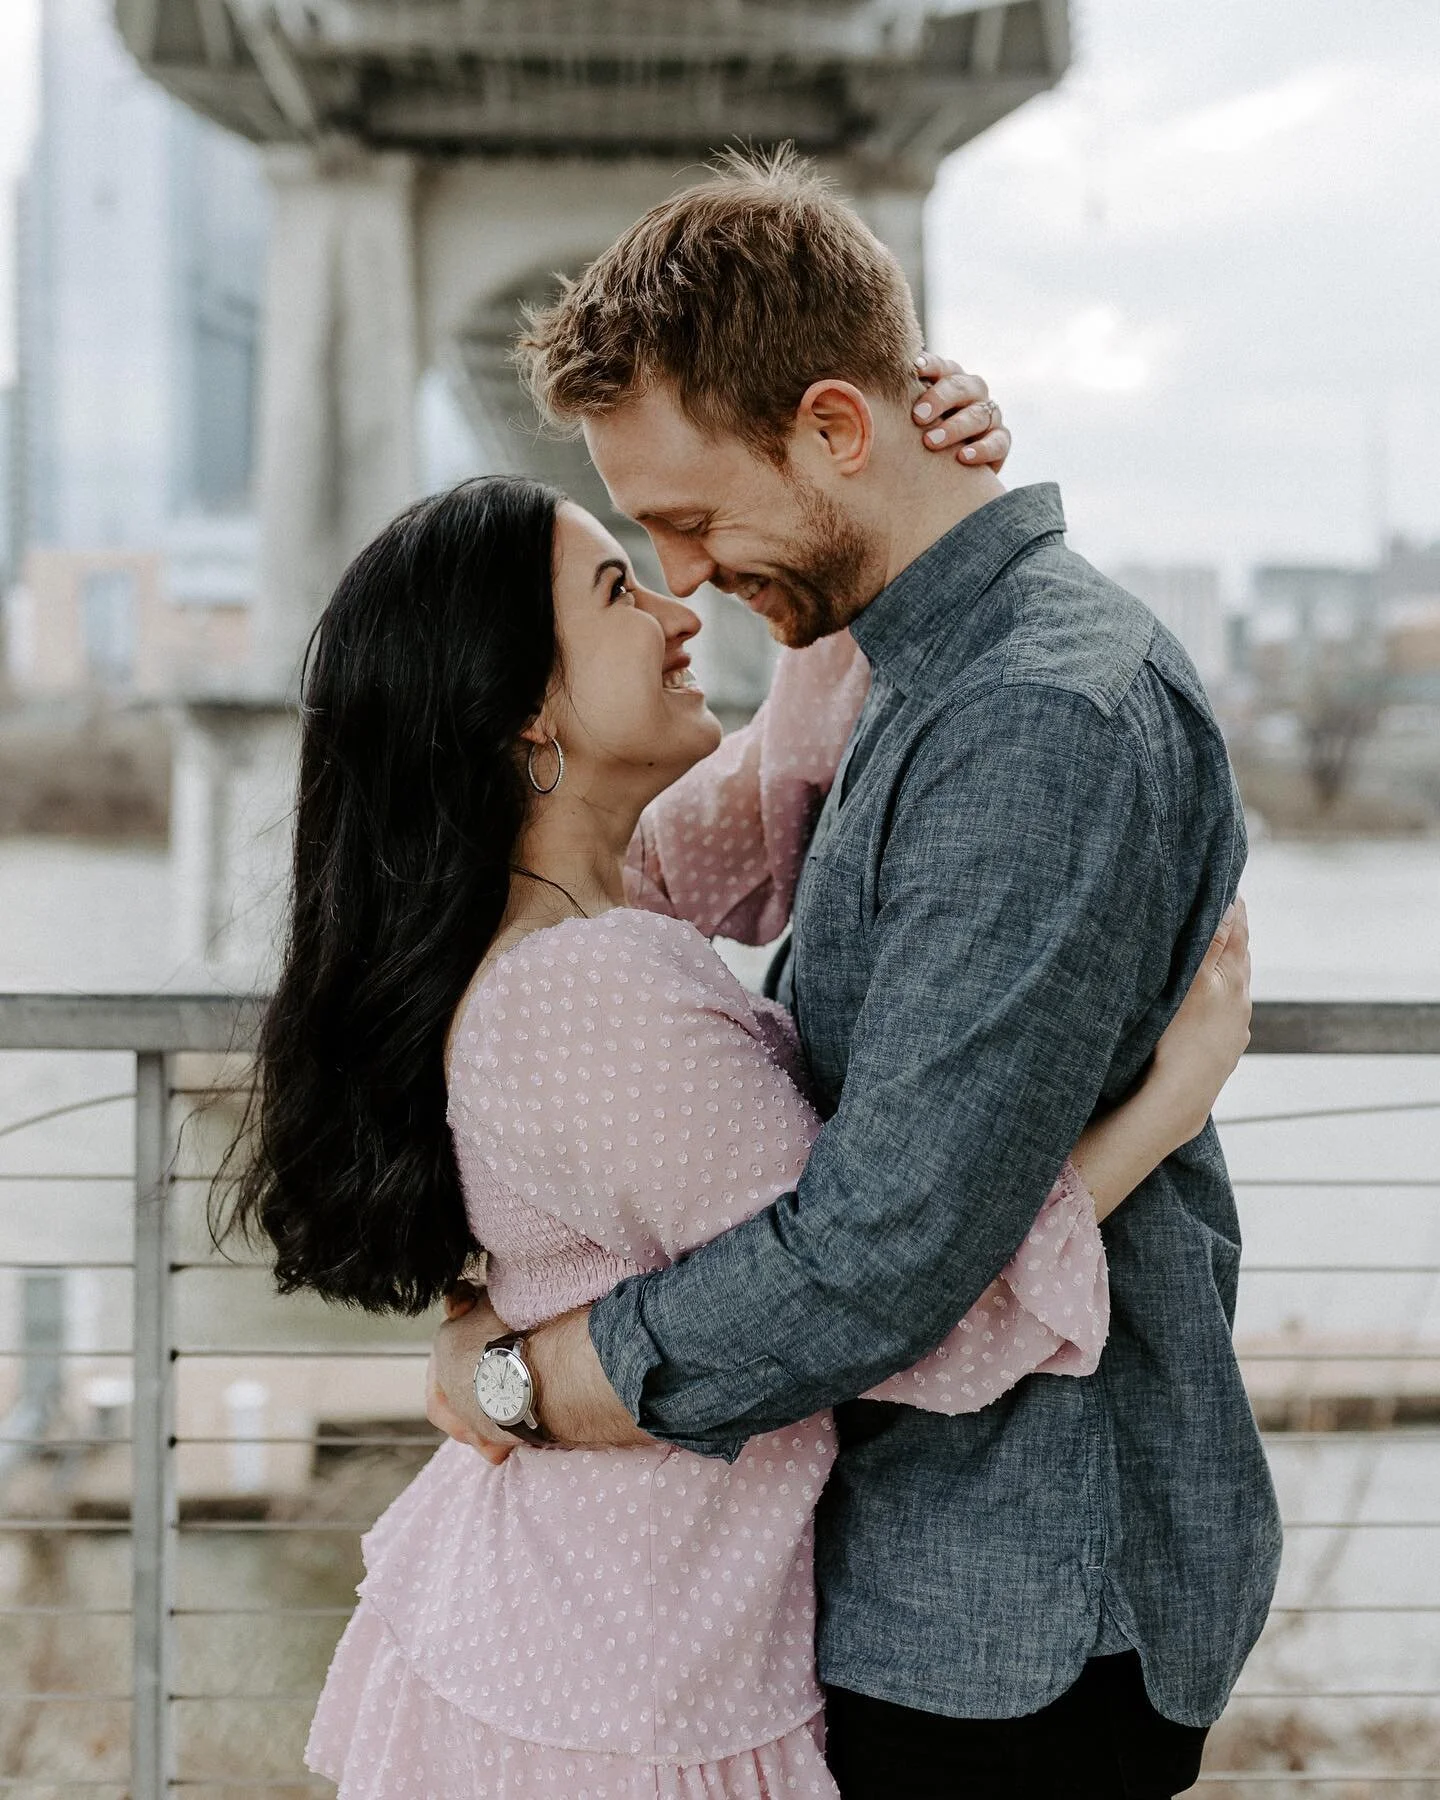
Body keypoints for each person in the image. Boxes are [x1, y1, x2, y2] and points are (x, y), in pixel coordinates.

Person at [426, 149, 1283, 1798]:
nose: (680, 577)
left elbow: (885, 1252)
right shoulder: (902, 658)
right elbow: (654, 879)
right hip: (923, 1576)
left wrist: (531, 1379)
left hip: (1018, 1613)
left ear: (835, 428)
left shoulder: (1037, 721)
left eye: (688, 517)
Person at [220, 459, 1251, 1793]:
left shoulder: (588, 901)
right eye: (617, 590)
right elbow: (893, 1296)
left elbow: (783, 785)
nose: (679, 607)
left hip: (607, 1629)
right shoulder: (589, 991)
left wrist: (890, 482)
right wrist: (1169, 1104)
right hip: (626, 1682)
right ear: (527, 718)